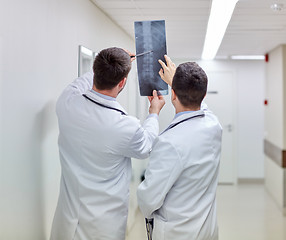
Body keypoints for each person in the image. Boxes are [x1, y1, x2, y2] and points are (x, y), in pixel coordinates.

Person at [50, 47, 165, 240]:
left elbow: (79, 83)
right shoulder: (124, 126)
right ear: (122, 82)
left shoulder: (66, 103)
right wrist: (154, 113)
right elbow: (147, 145)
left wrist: (105, 65)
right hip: (102, 227)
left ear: (95, 71)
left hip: (66, 222)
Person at [137, 56, 223, 240]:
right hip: (207, 231)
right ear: (204, 95)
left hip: (177, 233)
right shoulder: (214, 126)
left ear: (173, 95)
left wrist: (153, 113)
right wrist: (176, 83)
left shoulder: (169, 142)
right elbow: (201, 106)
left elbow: (148, 200)